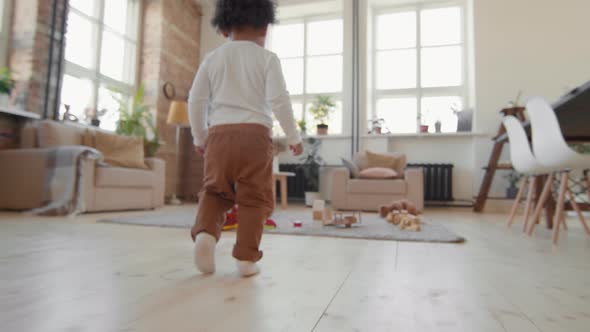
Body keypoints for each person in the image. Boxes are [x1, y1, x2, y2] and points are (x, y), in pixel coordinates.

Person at [188, 0, 303, 277]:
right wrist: (293, 137)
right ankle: (246, 259)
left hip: (218, 136)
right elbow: (279, 101)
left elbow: (196, 100)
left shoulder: (212, 58)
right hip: (254, 137)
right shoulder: (267, 59)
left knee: (215, 192)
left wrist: (200, 136)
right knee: (254, 199)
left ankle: (205, 236)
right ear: (264, 27)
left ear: (224, 27)